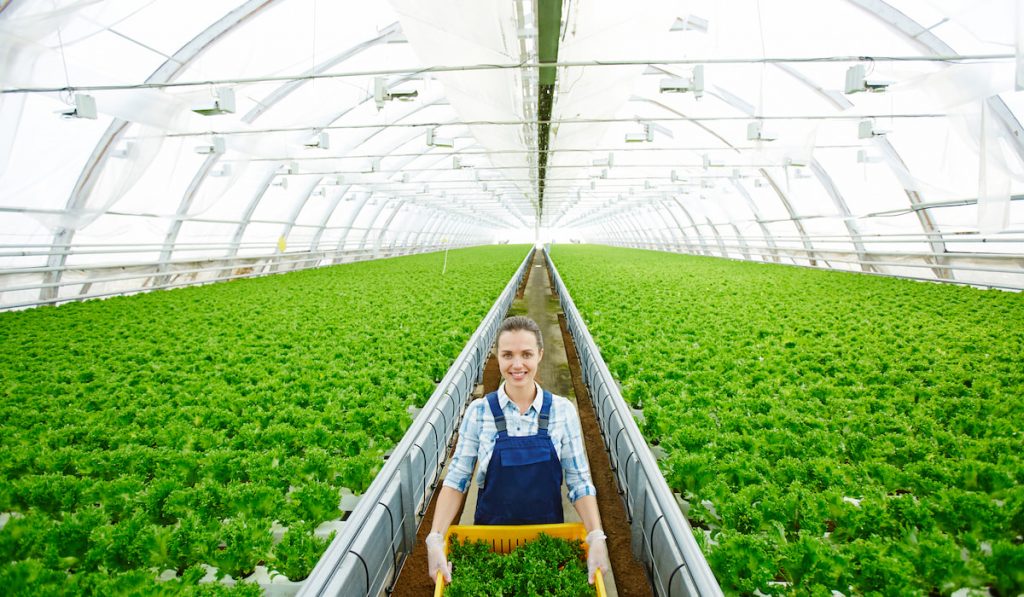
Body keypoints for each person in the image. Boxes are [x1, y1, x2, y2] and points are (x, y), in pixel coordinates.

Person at [425, 315, 610, 586]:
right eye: (507, 355)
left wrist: (596, 536)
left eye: (526, 354)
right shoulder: (479, 412)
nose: (517, 364)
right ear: (497, 357)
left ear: (540, 355)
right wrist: (435, 537)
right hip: (490, 542)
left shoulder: (562, 411)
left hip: (548, 540)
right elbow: (456, 480)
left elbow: (580, 482)